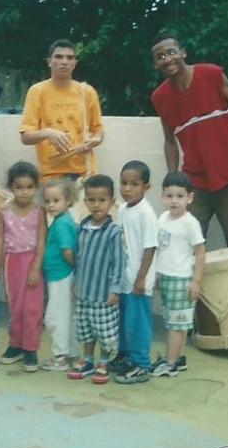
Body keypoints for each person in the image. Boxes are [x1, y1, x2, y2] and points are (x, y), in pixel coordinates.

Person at [150, 33, 228, 246]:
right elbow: (170, 141)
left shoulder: (212, 74)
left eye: (171, 52)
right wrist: (173, 178)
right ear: (156, 64)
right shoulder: (160, 97)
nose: (167, 59)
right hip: (195, 182)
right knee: (185, 242)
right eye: (160, 57)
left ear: (183, 52)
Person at [66, 174, 126, 385]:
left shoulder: (113, 233)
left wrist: (115, 290)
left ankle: (103, 361)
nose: (97, 205)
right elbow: (79, 259)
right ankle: (87, 359)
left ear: (111, 202)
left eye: (102, 200)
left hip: (104, 295)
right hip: (84, 293)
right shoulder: (82, 228)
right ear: (85, 202)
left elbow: (119, 263)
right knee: (85, 329)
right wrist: (76, 282)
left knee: (105, 330)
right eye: (91, 200)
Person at [20, 39, 104, 181]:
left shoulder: (87, 92)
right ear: (49, 62)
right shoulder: (37, 92)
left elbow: (98, 130)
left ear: (75, 63)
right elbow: (25, 137)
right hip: (51, 176)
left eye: (69, 58)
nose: (64, 62)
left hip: (84, 173)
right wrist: (48, 133)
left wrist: (94, 140)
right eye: (59, 57)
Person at [151, 172, 206, 378]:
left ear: (189, 198)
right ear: (163, 196)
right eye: (169, 195)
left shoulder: (190, 223)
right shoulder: (163, 218)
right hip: (164, 277)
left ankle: (170, 362)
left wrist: (196, 281)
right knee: (175, 322)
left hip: (181, 280)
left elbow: (200, 253)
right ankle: (180, 358)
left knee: (176, 325)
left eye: (180, 196)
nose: (174, 200)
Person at [0, 162, 47, 373]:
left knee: (32, 308)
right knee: (15, 307)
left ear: (35, 188)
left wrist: (36, 267)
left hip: (33, 261)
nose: (24, 192)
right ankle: (15, 345)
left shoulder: (39, 211)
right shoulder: (4, 210)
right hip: (12, 262)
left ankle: (30, 349)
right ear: (11, 187)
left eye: (29, 187)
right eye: (19, 187)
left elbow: (42, 241)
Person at [113, 160, 159, 385]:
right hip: (124, 280)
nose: (127, 189)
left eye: (134, 184)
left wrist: (141, 278)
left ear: (146, 187)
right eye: (123, 183)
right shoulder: (122, 210)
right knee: (123, 321)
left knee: (138, 323)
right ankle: (124, 356)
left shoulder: (146, 213)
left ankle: (141, 364)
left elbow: (150, 247)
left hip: (138, 283)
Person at [39, 178, 79, 372]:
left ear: (68, 200)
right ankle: (71, 353)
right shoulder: (64, 220)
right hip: (63, 275)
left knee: (56, 317)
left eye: (56, 200)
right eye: (47, 201)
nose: (51, 205)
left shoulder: (62, 224)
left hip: (60, 276)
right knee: (67, 315)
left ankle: (59, 357)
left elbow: (67, 251)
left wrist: (76, 269)